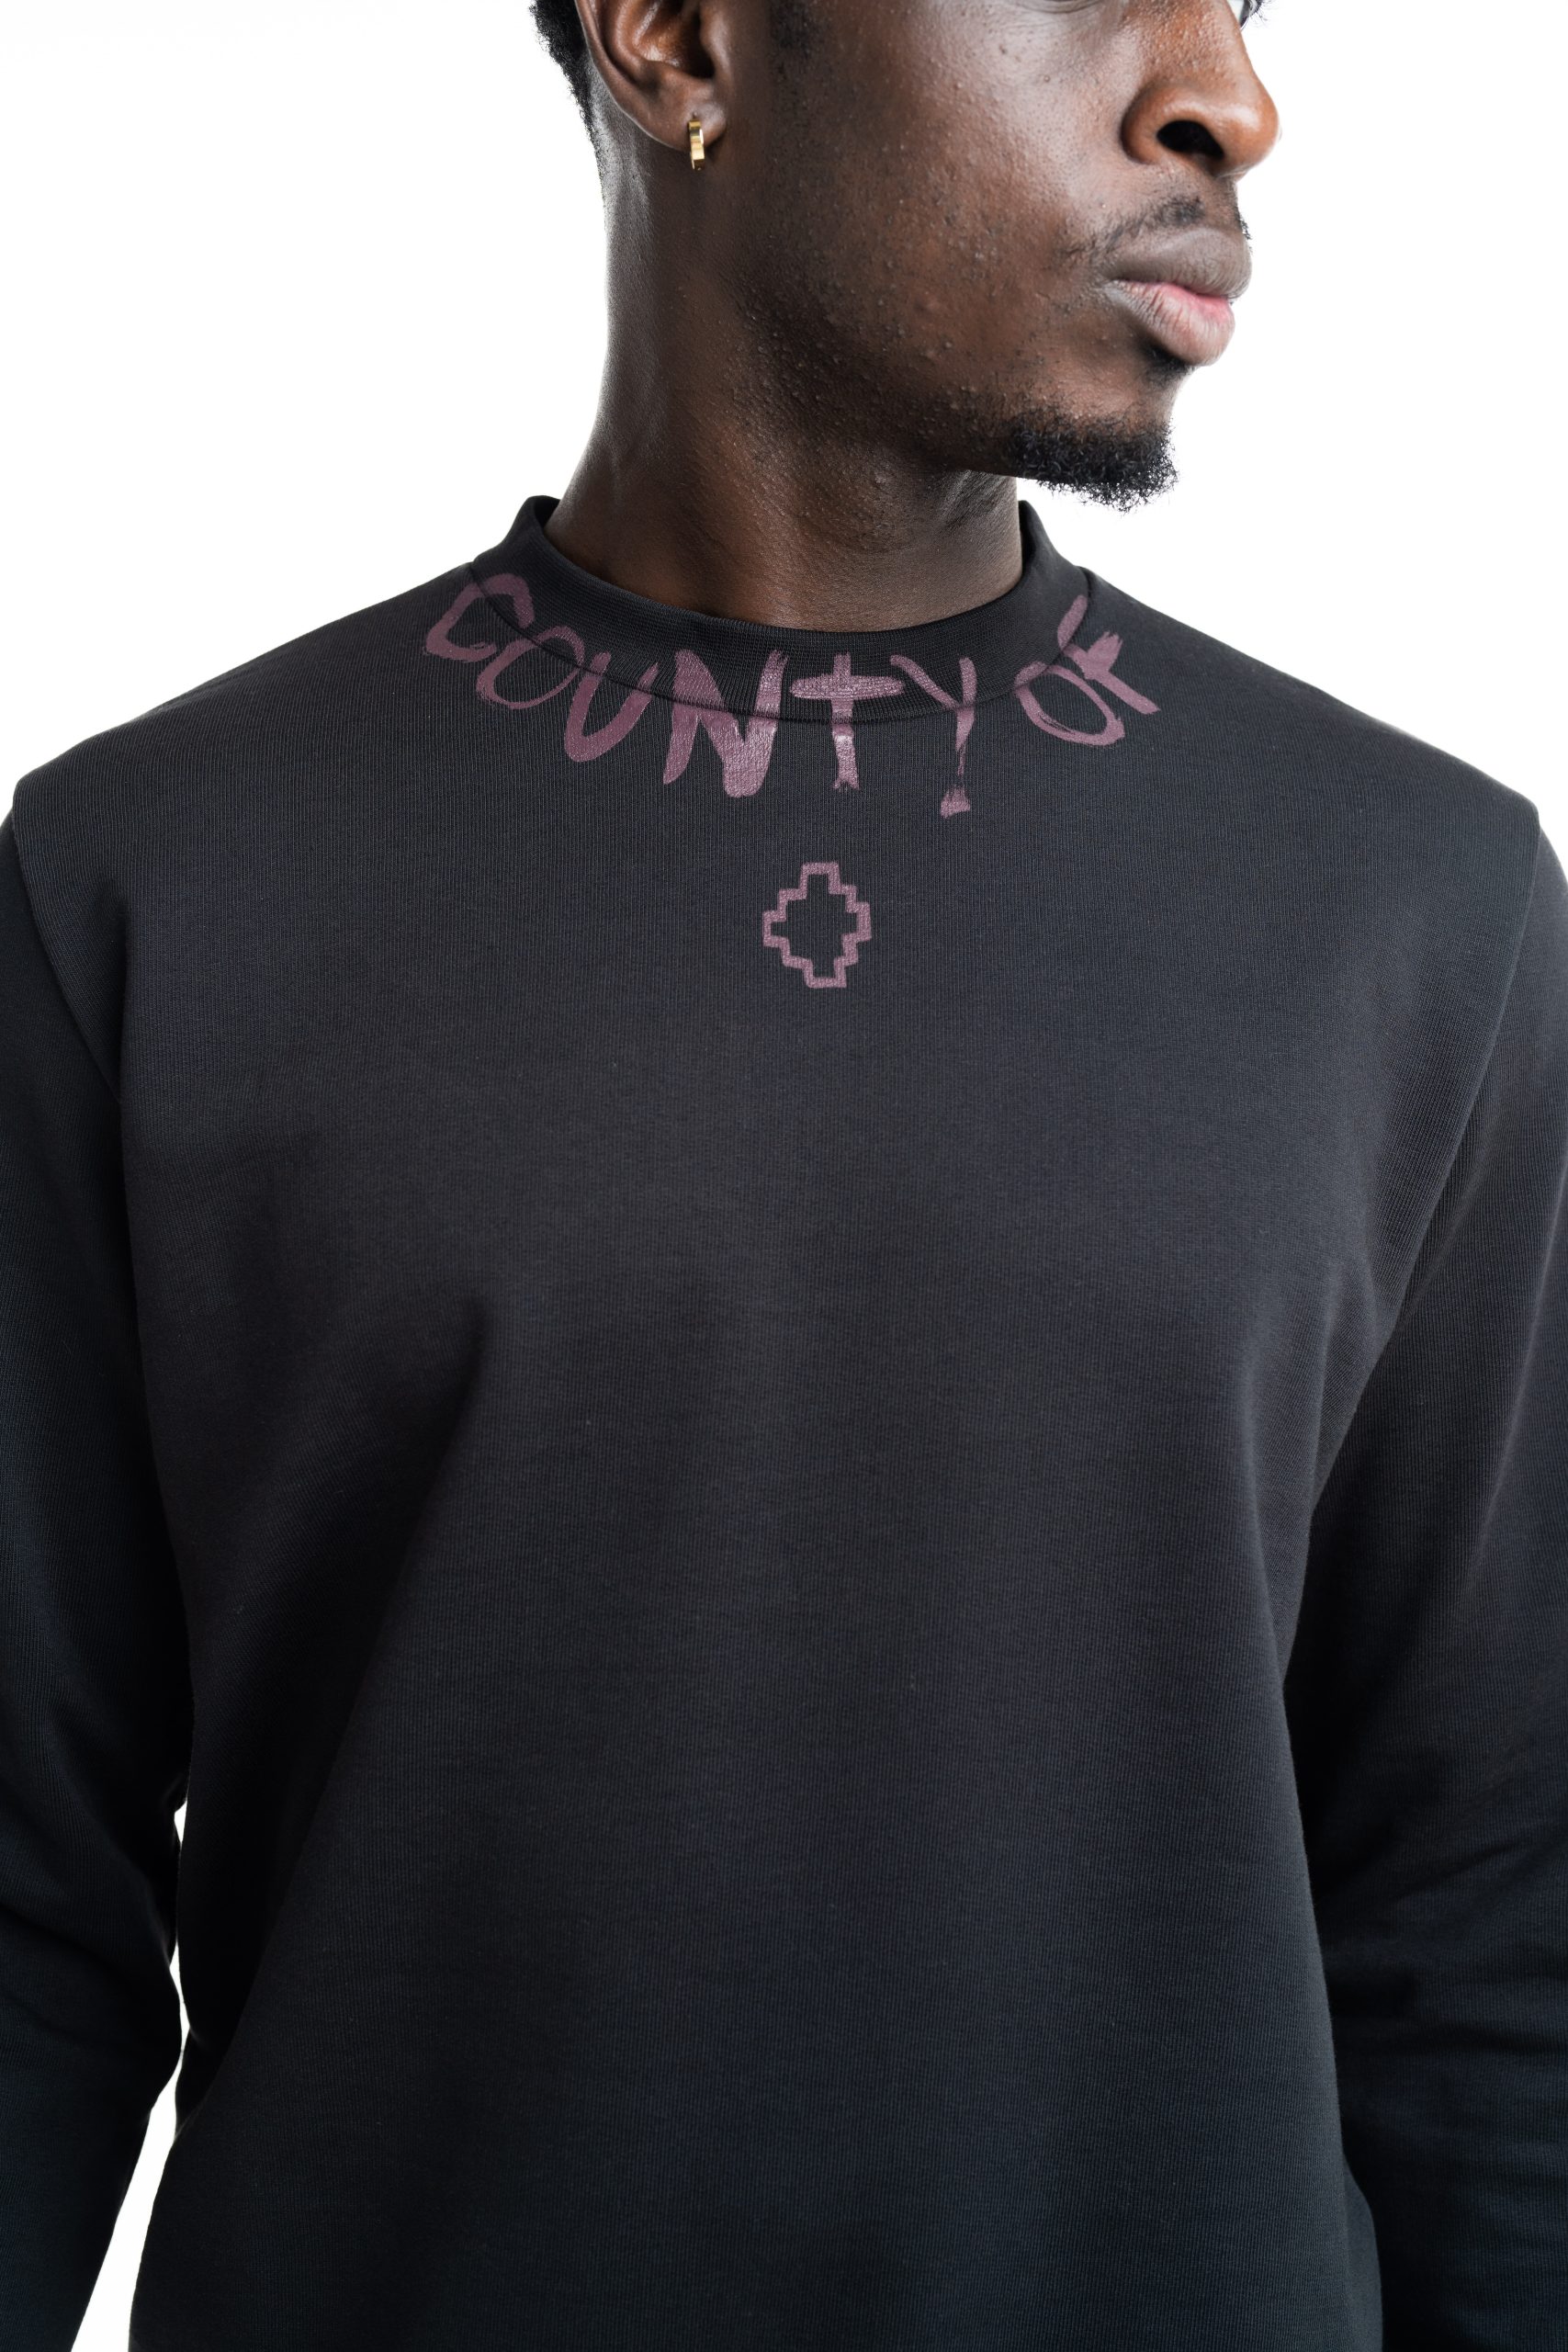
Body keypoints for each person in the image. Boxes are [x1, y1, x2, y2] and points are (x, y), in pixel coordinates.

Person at [2, 0, 1564, 2345]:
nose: (1227, 98)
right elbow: (25, 1907)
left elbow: (1493, 1919)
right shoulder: (150, 886)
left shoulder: (1414, 916)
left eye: (1247, 4)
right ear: (674, 39)